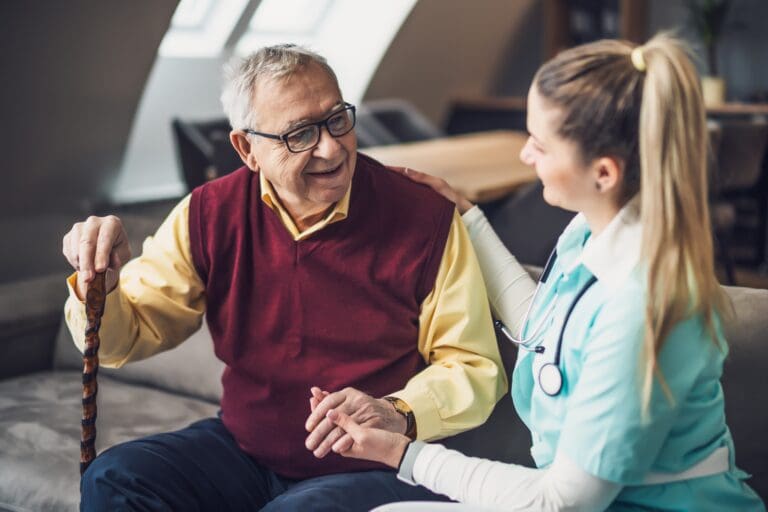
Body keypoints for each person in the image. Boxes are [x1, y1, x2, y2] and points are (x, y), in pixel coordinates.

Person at [318, 34, 767, 511]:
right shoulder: (593, 232)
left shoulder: (644, 308)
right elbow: (547, 330)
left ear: (605, 173)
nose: (525, 156)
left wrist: (403, 454)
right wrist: (468, 219)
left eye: (540, 144)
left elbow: (560, 502)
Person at [61, 44, 507, 511]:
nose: (332, 148)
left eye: (338, 120)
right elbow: (123, 338)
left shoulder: (425, 217)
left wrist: (395, 412)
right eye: (301, 134)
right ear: (246, 148)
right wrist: (102, 284)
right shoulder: (209, 213)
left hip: (378, 465)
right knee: (115, 478)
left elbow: (475, 367)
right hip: (244, 449)